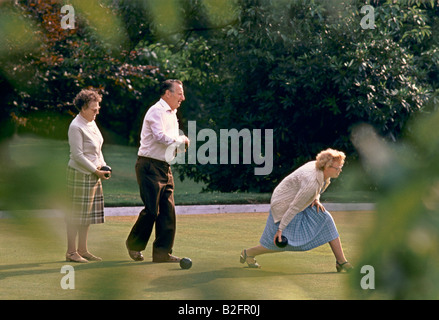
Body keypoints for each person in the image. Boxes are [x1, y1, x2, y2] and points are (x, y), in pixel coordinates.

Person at [240, 148, 353, 272]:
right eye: (338, 168)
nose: (340, 170)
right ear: (327, 167)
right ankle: (248, 253)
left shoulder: (320, 171)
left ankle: (341, 261)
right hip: (283, 204)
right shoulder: (311, 183)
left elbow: (317, 189)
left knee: (326, 218)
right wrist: (280, 229)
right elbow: (294, 206)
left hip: (298, 200)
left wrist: (316, 199)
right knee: (279, 242)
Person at [126, 79, 190, 263]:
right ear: (167, 94)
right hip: (148, 166)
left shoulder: (172, 113)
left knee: (168, 211)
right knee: (152, 210)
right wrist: (182, 139)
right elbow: (160, 136)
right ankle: (134, 244)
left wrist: (179, 144)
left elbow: (169, 141)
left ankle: (162, 253)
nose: (182, 98)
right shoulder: (156, 111)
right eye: (179, 94)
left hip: (164, 166)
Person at [66, 89, 111, 263]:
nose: (97, 111)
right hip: (80, 174)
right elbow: (78, 155)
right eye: (93, 109)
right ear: (83, 108)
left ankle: (82, 250)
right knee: (75, 215)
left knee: (87, 216)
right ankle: (71, 252)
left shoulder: (91, 122)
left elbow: (97, 149)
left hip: (94, 173)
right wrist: (96, 170)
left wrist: (103, 166)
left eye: (98, 108)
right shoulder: (76, 126)